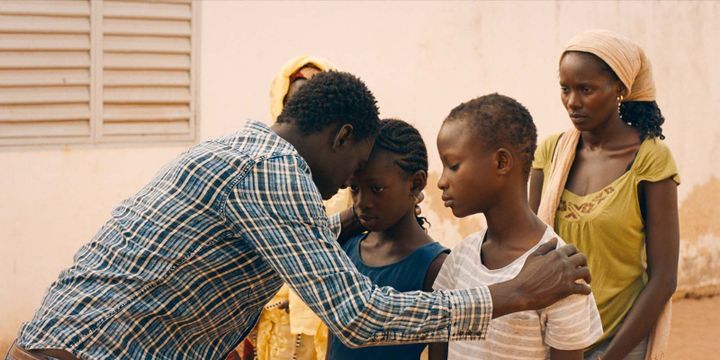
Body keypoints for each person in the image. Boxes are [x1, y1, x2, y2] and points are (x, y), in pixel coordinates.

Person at [7, 71, 591, 360]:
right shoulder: (276, 173)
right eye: (354, 168)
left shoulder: (242, 148)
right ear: (340, 137)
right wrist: (511, 294)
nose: (345, 188)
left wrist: (349, 223)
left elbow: (276, 242)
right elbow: (359, 317)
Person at [529, 30, 680, 360]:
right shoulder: (551, 153)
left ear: (620, 91)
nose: (572, 101)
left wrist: (609, 356)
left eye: (586, 89)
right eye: (565, 88)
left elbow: (664, 278)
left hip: (622, 341)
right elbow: (529, 251)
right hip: (557, 340)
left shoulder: (649, 159)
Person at [430, 94, 603, 360]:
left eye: (453, 165)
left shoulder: (560, 272)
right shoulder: (460, 259)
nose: (442, 181)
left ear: (501, 162)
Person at [241, 55, 348, 360]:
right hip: (277, 311)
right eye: (298, 102)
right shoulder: (264, 169)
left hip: (332, 308)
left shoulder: (346, 169)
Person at [326, 119, 448, 360]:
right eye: (355, 188)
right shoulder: (345, 248)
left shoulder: (435, 266)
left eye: (376, 189)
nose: (361, 203)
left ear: (415, 183)